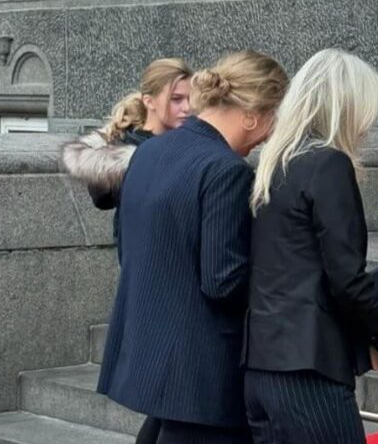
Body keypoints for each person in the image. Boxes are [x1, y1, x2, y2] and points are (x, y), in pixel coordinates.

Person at [97, 51, 288, 444]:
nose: (271, 132)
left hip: (151, 356)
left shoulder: (149, 151)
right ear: (252, 115)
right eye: (274, 118)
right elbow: (222, 281)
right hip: (201, 374)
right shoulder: (227, 170)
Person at [243, 48, 378, 444]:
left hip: (261, 368)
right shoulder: (328, 165)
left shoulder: (274, 165)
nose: (368, 124)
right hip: (310, 376)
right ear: (347, 107)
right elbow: (346, 279)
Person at [62, 57, 192, 444]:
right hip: (153, 270)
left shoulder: (181, 143)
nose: (186, 108)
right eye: (177, 99)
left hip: (170, 268)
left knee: (168, 394)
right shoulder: (137, 151)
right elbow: (102, 195)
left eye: (190, 99)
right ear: (150, 100)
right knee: (169, 388)